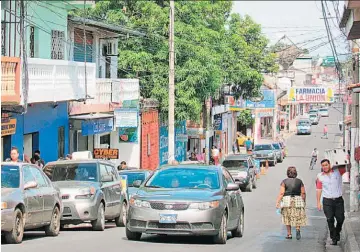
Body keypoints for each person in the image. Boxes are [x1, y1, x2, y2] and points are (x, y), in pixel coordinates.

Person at [316, 159, 346, 246]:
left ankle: (337, 232)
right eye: (323, 166)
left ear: (330, 165)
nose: (325, 167)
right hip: (327, 201)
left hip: (338, 200)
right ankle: (334, 238)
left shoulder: (337, 172)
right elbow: (318, 190)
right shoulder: (320, 176)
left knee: (340, 218)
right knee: (330, 219)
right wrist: (318, 202)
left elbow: (346, 165)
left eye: (326, 165)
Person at [276, 166, 307, 240]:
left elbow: (281, 193)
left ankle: (289, 234)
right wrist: (304, 201)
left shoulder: (284, 181)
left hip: (287, 200)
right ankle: (297, 229)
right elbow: (303, 192)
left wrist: (278, 202)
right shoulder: (299, 181)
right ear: (295, 173)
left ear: (287, 173)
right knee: (297, 216)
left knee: (287, 217)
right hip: (297, 200)